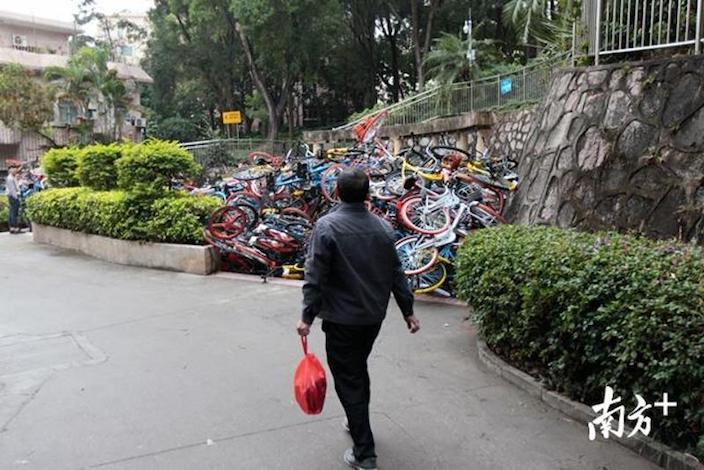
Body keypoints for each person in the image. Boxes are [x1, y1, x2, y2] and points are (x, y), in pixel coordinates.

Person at [297, 167, 420, 470]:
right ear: (368, 194)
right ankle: (357, 423)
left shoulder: (326, 228)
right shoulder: (383, 228)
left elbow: (315, 276)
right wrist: (408, 311)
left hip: (342, 321)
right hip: (372, 318)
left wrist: (307, 316)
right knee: (357, 370)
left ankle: (365, 454)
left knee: (349, 379)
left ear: (336, 193)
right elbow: (396, 274)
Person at [6, 165, 21, 234]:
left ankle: (12, 228)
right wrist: (16, 197)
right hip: (13, 196)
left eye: (15, 170)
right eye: (13, 170)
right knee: (14, 212)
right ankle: (15, 228)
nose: (15, 171)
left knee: (12, 212)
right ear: (10, 170)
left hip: (12, 196)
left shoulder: (12, 177)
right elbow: (12, 190)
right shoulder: (10, 178)